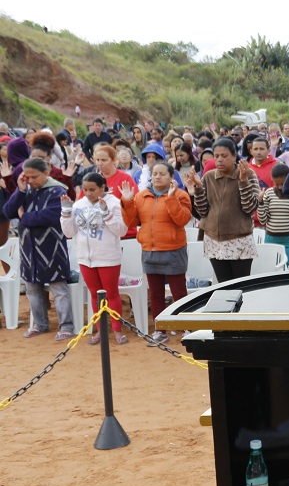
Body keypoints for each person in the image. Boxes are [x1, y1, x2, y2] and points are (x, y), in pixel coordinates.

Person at [2, 158, 75, 340]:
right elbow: (8, 212)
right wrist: (19, 190)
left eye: (34, 177)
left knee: (58, 289)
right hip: (28, 250)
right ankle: (40, 324)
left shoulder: (57, 191)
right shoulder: (25, 190)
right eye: (27, 177)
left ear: (46, 173)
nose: (30, 180)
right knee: (32, 289)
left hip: (53, 249)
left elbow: (48, 216)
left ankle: (66, 326)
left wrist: (24, 217)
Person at [119, 162, 191, 345]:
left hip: (174, 250)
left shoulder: (181, 195)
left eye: (162, 174)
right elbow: (132, 221)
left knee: (179, 293)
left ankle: (187, 328)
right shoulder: (141, 196)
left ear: (171, 177)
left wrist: (172, 198)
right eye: (155, 173)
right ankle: (161, 331)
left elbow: (182, 219)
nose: (157, 176)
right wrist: (127, 202)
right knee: (155, 294)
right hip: (149, 250)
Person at [60, 171, 129, 345]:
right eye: (85, 190)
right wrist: (66, 213)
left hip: (108, 257)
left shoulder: (114, 203)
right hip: (85, 258)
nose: (88, 193)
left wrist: (107, 214)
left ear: (102, 188)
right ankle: (100, 331)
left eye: (92, 189)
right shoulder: (79, 205)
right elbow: (69, 233)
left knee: (111, 294)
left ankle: (117, 330)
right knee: (94, 295)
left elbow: (121, 230)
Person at [185, 138, 259, 283]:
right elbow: (202, 212)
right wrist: (198, 188)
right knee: (224, 284)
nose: (219, 160)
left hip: (239, 239)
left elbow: (250, 208)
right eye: (216, 156)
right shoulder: (208, 176)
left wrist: (243, 181)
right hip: (213, 240)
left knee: (241, 285)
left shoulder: (248, 174)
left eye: (224, 156)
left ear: (234, 156)